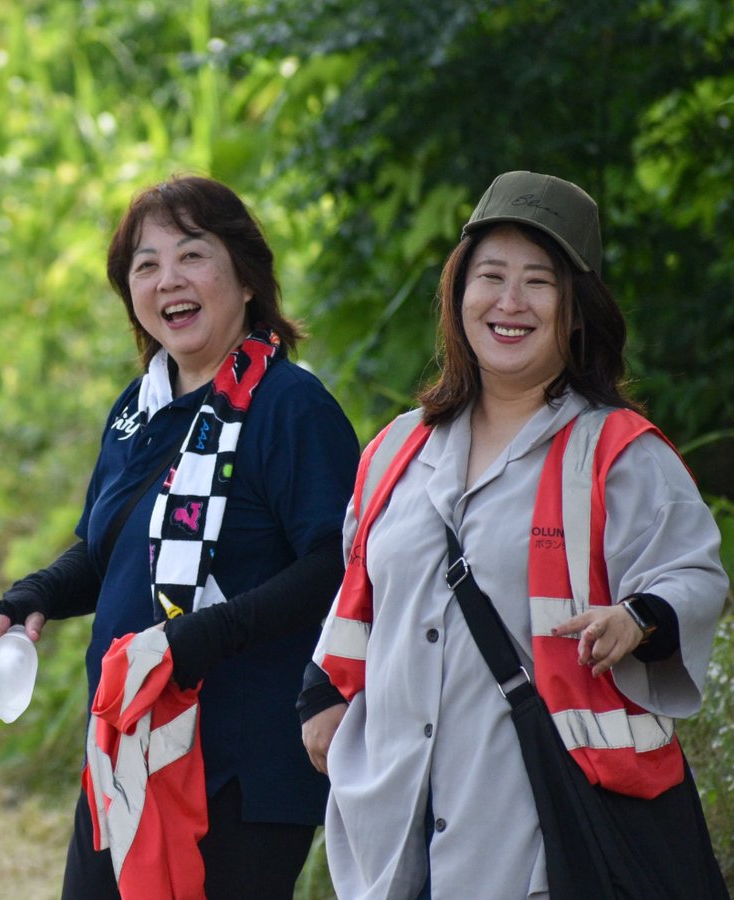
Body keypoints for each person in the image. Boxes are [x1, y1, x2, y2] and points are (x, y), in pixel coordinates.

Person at [305, 171, 729, 898]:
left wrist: (637, 619)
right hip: (388, 824)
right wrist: (320, 697)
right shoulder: (395, 449)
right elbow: (358, 594)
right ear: (458, 293)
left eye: (539, 282)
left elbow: (694, 577)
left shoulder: (620, 453)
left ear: (576, 309)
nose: (509, 302)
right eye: (490, 276)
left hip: (541, 827)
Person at [0, 175, 359, 898]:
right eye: (144, 265)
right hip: (126, 748)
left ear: (246, 277)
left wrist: (206, 637)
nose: (167, 280)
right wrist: (36, 593)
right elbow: (108, 549)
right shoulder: (138, 408)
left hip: (239, 763)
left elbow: (338, 566)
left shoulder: (289, 406)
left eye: (192, 254)